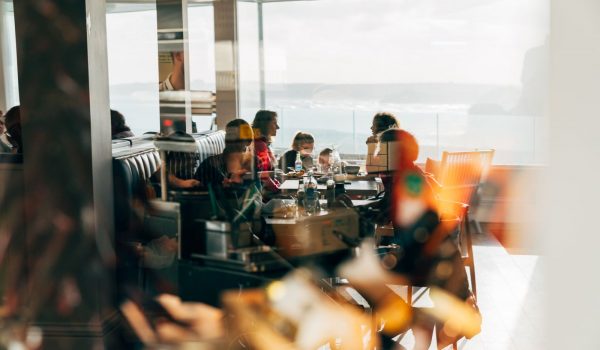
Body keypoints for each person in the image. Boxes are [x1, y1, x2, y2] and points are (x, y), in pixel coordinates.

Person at [194, 119, 254, 189]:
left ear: (248, 141)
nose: (230, 139)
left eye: (236, 135)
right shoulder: (210, 165)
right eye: (228, 134)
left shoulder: (253, 163)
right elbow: (197, 193)